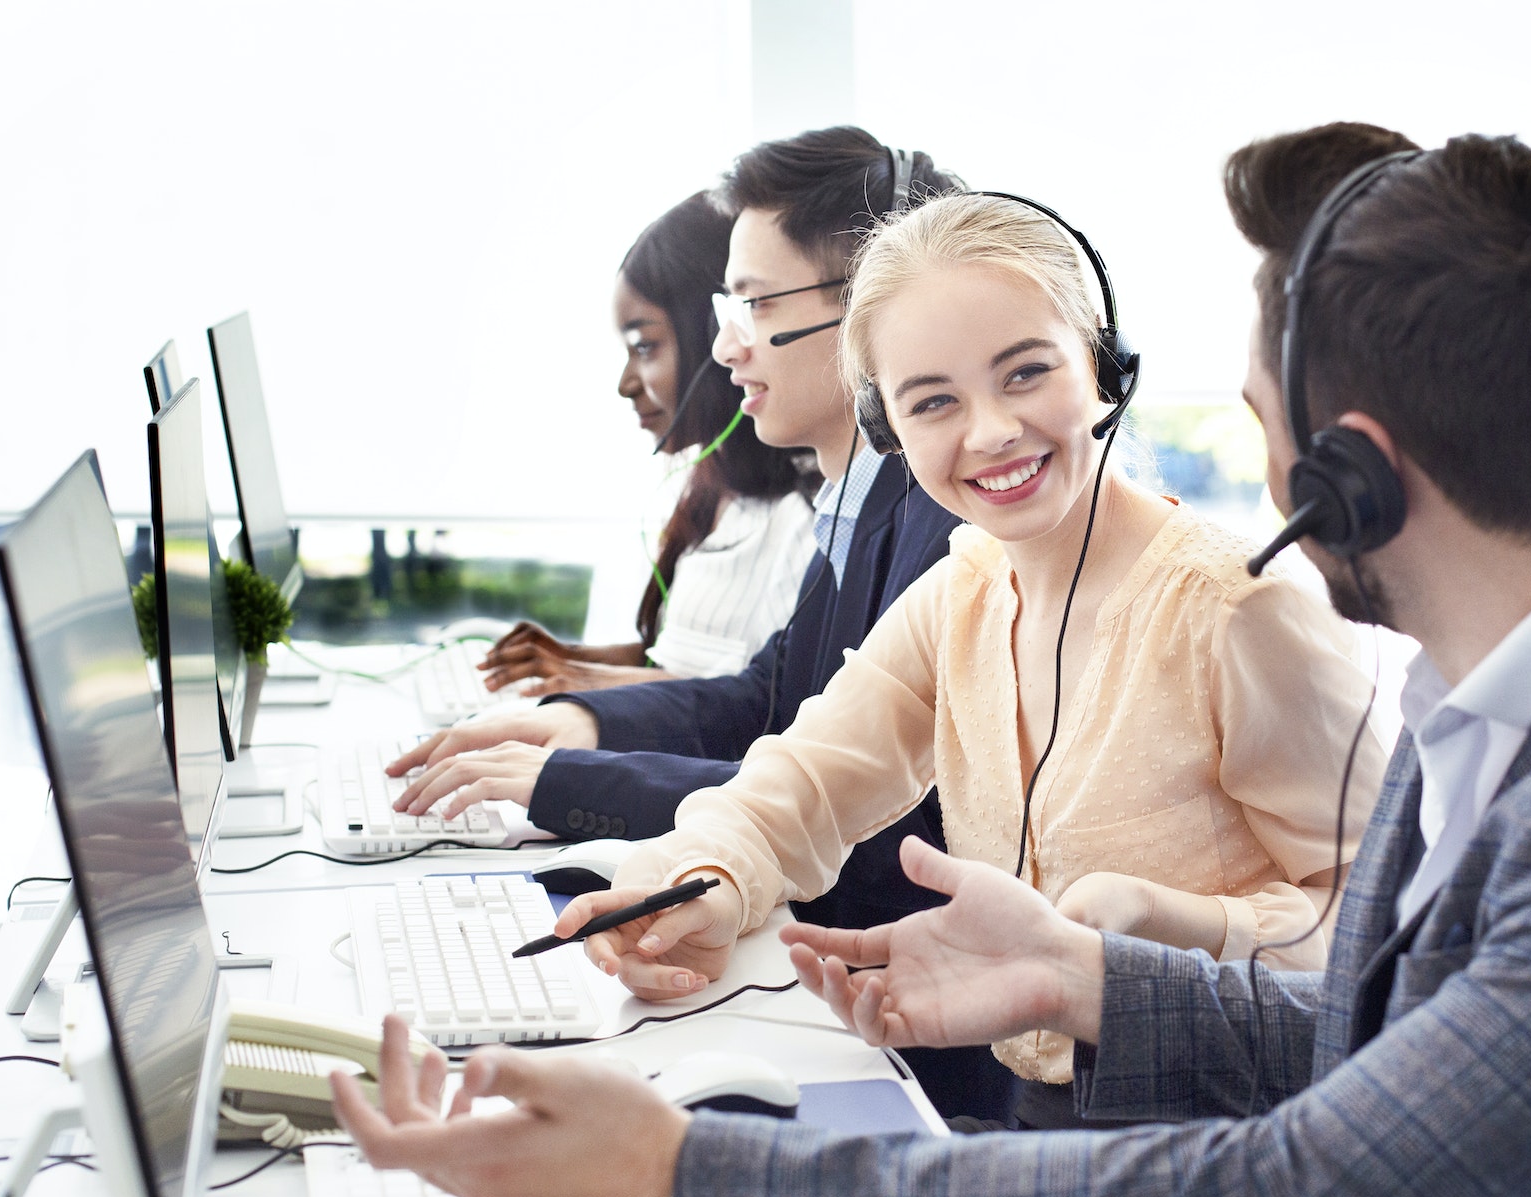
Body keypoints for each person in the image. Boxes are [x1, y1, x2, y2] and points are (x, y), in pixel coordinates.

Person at [336, 128, 1531, 1197]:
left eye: (1262, 429)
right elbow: (1391, 1070)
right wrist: (1094, 975)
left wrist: (689, 1173)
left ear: (1354, 471)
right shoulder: (1520, 692)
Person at [546, 189, 1382, 1127]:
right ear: (889, 429)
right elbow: (806, 781)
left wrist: (1170, 924)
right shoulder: (967, 588)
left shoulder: (1239, 614)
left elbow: (1385, 938)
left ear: (1105, 367)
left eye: (1025, 374)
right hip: (1043, 1120)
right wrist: (702, 878)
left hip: (1235, 1133)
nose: (988, 432)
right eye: (933, 400)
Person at [386, 127, 1016, 1121]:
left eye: (755, 306)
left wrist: (567, 777)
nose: (726, 346)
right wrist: (574, 724)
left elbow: (876, 818)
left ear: (870, 316)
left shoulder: (956, 528)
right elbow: (767, 699)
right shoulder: (867, 499)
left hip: (946, 1072)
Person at [477, 192, 820, 696]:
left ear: (714, 335)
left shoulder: (807, 520)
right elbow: (679, 661)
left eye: (644, 347)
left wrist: (582, 679)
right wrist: (566, 659)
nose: (626, 383)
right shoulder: (709, 493)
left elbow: (758, 709)